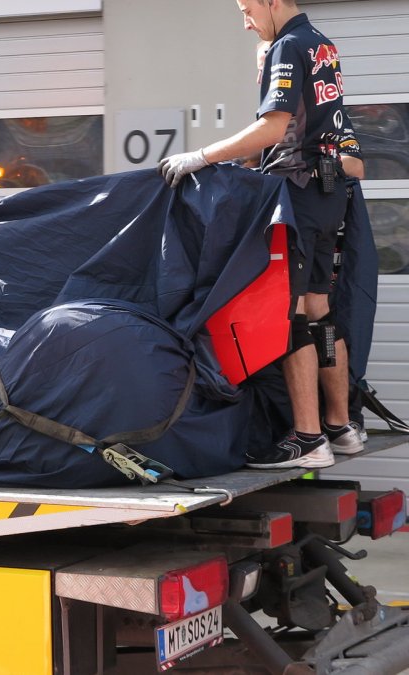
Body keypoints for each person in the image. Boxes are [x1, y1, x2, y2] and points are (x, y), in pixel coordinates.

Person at [159, 0, 364, 469]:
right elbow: (331, 138)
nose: (245, 21)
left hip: (299, 194)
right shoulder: (322, 45)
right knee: (320, 312)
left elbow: (272, 126)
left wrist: (202, 156)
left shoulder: (287, 45)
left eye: (248, 9)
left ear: (273, 1)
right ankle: (340, 426)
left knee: (289, 316)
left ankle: (308, 440)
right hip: (329, 195)